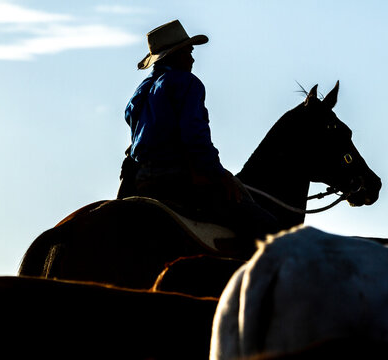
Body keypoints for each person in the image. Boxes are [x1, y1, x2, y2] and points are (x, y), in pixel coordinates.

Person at [117, 20, 278, 250]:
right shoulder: (187, 83)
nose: (192, 59)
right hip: (176, 179)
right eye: (189, 52)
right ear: (175, 54)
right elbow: (195, 138)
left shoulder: (140, 92)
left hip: (142, 179)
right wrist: (218, 174)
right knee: (266, 225)